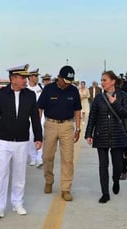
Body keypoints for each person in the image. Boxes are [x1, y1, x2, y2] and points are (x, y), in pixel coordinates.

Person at [0, 64, 43, 219]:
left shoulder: (30, 95)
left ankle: (17, 203)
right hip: (4, 140)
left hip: (22, 140)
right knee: (2, 173)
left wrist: (38, 138)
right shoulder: (0, 95)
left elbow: (35, 119)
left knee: (20, 173)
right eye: (22, 77)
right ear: (13, 79)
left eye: (26, 77)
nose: (25, 80)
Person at [85, 71, 127, 203]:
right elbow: (92, 117)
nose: (102, 83)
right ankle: (105, 193)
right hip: (101, 135)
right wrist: (89, 134)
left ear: (113, 81)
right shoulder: (98, 98)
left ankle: (115, 180)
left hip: (117, 135)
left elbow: (126, 114)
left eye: (104, 80)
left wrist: (115, 103)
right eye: (101, 80)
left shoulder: (122, 96)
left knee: (117, 165)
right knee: (103, 165)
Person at [38, 65, 82, 201]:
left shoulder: (73, 91)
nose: (67, 84)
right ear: (59, 78)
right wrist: (37, 127)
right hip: (51, 124)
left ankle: (66, 188)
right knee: (47, 156)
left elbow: (77, 110)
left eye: (70, 82)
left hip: (67, 126)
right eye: (65, 81)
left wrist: (78, 128)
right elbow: (39, 108)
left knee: (68, 158)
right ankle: (49, 180)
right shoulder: (48, 89)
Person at [27, 68, 44, 168]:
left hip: (40, 116)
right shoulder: (26, 88)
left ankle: (39, 158)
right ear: (30, 77)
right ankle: (33, 158)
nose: (37, 78)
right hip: (28, 116)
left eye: (37, 76)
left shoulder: (40, 88)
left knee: (39, 136)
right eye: (35, 76)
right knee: (30, 137)